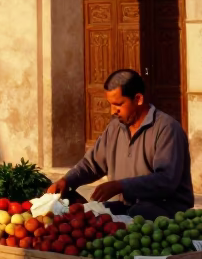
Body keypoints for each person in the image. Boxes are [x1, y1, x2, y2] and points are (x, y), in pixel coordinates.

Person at [46, 68, 193, 220]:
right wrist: (67, 180)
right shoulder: (115, 127)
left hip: (165, 210)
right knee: (84, 214)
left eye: (118, 105)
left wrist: (121, 186)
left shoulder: (167, 129)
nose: (112, 111)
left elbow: (166, 180)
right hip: (127, 206)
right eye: (110, 104)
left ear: (138, 99)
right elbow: (92, 164)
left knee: (137, 215)